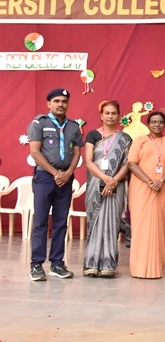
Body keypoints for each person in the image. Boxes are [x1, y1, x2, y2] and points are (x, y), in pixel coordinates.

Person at [27, 88, 84, 281]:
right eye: (57, 101)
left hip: (65, 179)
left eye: (64, 101)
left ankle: (57, 264)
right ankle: (36, 264)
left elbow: (77, 153)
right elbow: (35, 152)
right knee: (41, 222)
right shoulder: (39, 123)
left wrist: (68, 173)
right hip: (45, 178)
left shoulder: (74, 126)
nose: (61, 104)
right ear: (49, 104)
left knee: (61, 222)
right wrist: (55, 173)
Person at [127, 111, 165, 279]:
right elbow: (131, 164)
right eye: (153, 122)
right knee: (141, 227)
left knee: (160, 226)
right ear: (148, 124)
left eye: (160, 122)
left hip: (164, 188)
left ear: (164, 124)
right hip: (141, 188)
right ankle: (138, 267)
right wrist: (149, 181)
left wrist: (161, 181)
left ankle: (156, 266)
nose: (157, 125)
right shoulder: (140, 141)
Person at [83, 101, 133, 277]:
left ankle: (108, 265)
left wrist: (113, 181)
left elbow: (128, 164)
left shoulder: (125, 139)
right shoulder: (92, 135)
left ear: (118, 115)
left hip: (116, 186)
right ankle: (91, 264)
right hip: (96, 185)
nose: (110, 116)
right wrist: (105, 179)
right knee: (95, 222)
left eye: (113, 113)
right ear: (101, 115)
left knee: (112, 223)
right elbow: (88, 161)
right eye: (107, 113)